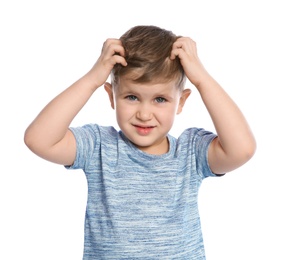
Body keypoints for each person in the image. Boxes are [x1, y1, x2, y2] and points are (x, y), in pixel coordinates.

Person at [24, 25, 256, 259]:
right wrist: (92, 79)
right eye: (132, 97)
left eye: (160, 99)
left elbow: (242, 149)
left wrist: (203, 79)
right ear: (111, 96)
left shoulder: (190, 152)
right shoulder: (99, 146)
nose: (144, 114)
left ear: (181, 102)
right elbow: (39, 140)